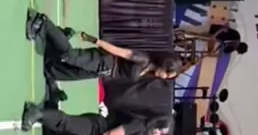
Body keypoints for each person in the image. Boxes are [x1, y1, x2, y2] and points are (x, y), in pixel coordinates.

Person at [26, 9, 181, 83]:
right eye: (166, 73)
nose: (164, 76)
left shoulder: (148, 72)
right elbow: (120, 52)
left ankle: (51, 60)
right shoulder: (143, 59)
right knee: (70, 56)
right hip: (104, 61)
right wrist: (96, 41)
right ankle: (44, 22)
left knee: (69, 74)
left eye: (167, 77)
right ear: (164, 64)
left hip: (104, 71)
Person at [20, 101, 171, 135]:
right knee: (66, 123)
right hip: (97, 127)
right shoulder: (140, 124)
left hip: (96, 126)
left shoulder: (141, 125)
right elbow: (111, 134)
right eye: (160, 131)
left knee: (56, 133)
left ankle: (43, 114)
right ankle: (37, 112)